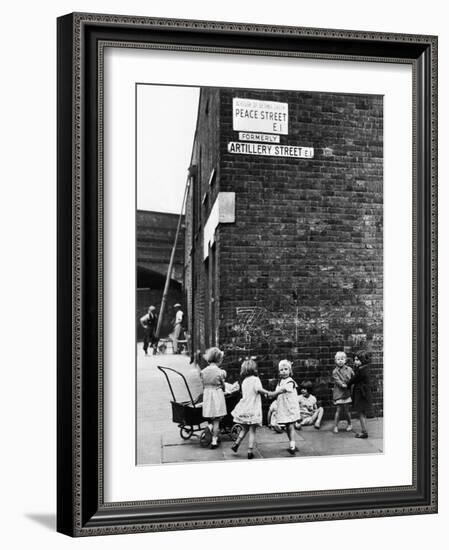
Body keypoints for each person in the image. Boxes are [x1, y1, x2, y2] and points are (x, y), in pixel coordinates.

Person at [231, 358, 271, 459]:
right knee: (252, 430)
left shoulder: (244, 381)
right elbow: (259, 390)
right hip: (253, 408)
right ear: (254, 369)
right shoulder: (256, 379)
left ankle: (236, 444)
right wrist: (267, 393)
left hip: (245, 407)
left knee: (244, 428)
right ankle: (249, 451)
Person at [270, 359, 301, 455]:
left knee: (290, 425)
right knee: (287, 426)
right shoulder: (280, 382)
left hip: (290, 407)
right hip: (283, 407)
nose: (283, 371)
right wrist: (272, 394)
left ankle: (292, 444)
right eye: (281, 370)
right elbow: (278, 391)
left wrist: (273, 393)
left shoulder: (290, 382)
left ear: (290, 371)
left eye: (286, 369)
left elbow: (282, 390)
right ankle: (291, 443)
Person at [200, 347, 227, 449]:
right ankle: (214, 440)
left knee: (210, 416)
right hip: (217, 395)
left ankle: (209, 426)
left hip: (207, 395)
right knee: (217, 420)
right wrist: (224, 389)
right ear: (219, 360)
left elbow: (203, 385)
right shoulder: (220, 372)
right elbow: (223, 385)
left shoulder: (203, 372)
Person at [348, 350, 373, 438]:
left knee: (361, 413)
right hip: (364, 394)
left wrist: (347, 385)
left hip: (361, 394)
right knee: (362, 413)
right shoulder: (365, 368)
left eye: (358, 360)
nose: (355, 362)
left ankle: (364, 432)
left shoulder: (361, 370)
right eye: (355, 359)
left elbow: (353, 380)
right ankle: (364, 430)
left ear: (363, 360)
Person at [332, 351, 355, 434]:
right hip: (339, 393)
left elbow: (353, 377)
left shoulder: (349, 369)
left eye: (342, 359)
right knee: (338, 410)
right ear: (335, 361)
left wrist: (352, 383)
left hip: (347, 393)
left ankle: (349, 424)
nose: (340, 361)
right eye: (338, 359)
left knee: (346, 410)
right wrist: (343, 384)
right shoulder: (335, 371)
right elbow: (337, 380)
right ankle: (335, 426)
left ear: (345, 360)